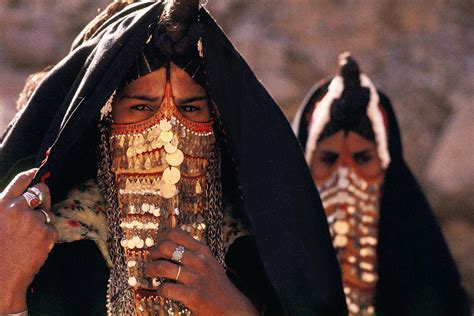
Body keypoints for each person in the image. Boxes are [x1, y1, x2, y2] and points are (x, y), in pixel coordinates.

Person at [0, 1, 347, 315]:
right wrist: (6, 289)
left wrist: (233, 310)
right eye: (141, 107)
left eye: (190, 108)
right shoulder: (54, 245)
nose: (168, 131)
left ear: (216, 126)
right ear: (106, 124)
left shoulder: (256, 249)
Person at [292, 52, 471, 315]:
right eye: (328, 160)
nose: (345, 177)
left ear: (387, 167)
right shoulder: (271, 261)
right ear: (304, 166)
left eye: (362, 159)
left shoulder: (426, 274)